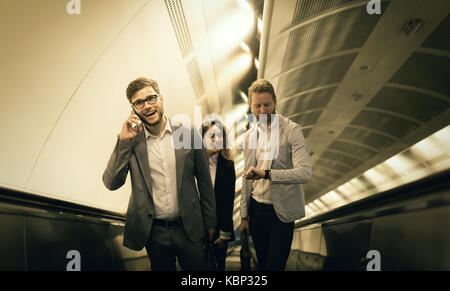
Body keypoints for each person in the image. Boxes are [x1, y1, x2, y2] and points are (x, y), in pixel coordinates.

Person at [103, 77, 216, 271]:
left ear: (161, 98)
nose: (147, 106)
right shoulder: (131, 141)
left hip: (189, 228)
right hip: (154, 232)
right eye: (139, 103)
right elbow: (112, 182)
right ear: (133, 109)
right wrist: (123, 140)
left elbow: (205, 184)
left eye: (151, 99)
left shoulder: (188, 135)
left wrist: (211, 223)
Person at [239, 79, 312, 271]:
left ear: (275, 102)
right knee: (262, 263)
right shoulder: (249, 136)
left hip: (282, 212)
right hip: (256, 211)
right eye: (258, 106)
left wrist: (267, 174)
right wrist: (244, 216)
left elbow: (304, 173)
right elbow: (246, 179)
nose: (262, 111)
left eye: (267, 105)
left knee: (274, 266)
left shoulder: (291, 130)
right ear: (251, 106)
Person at [201, 119, 236, 271]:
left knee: (217, 267)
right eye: (211, 136)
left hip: (218, 230)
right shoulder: (191, 163)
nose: (216, 140)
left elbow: (228, 202)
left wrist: (225, 234)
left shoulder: (228, 166)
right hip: (193, 228)